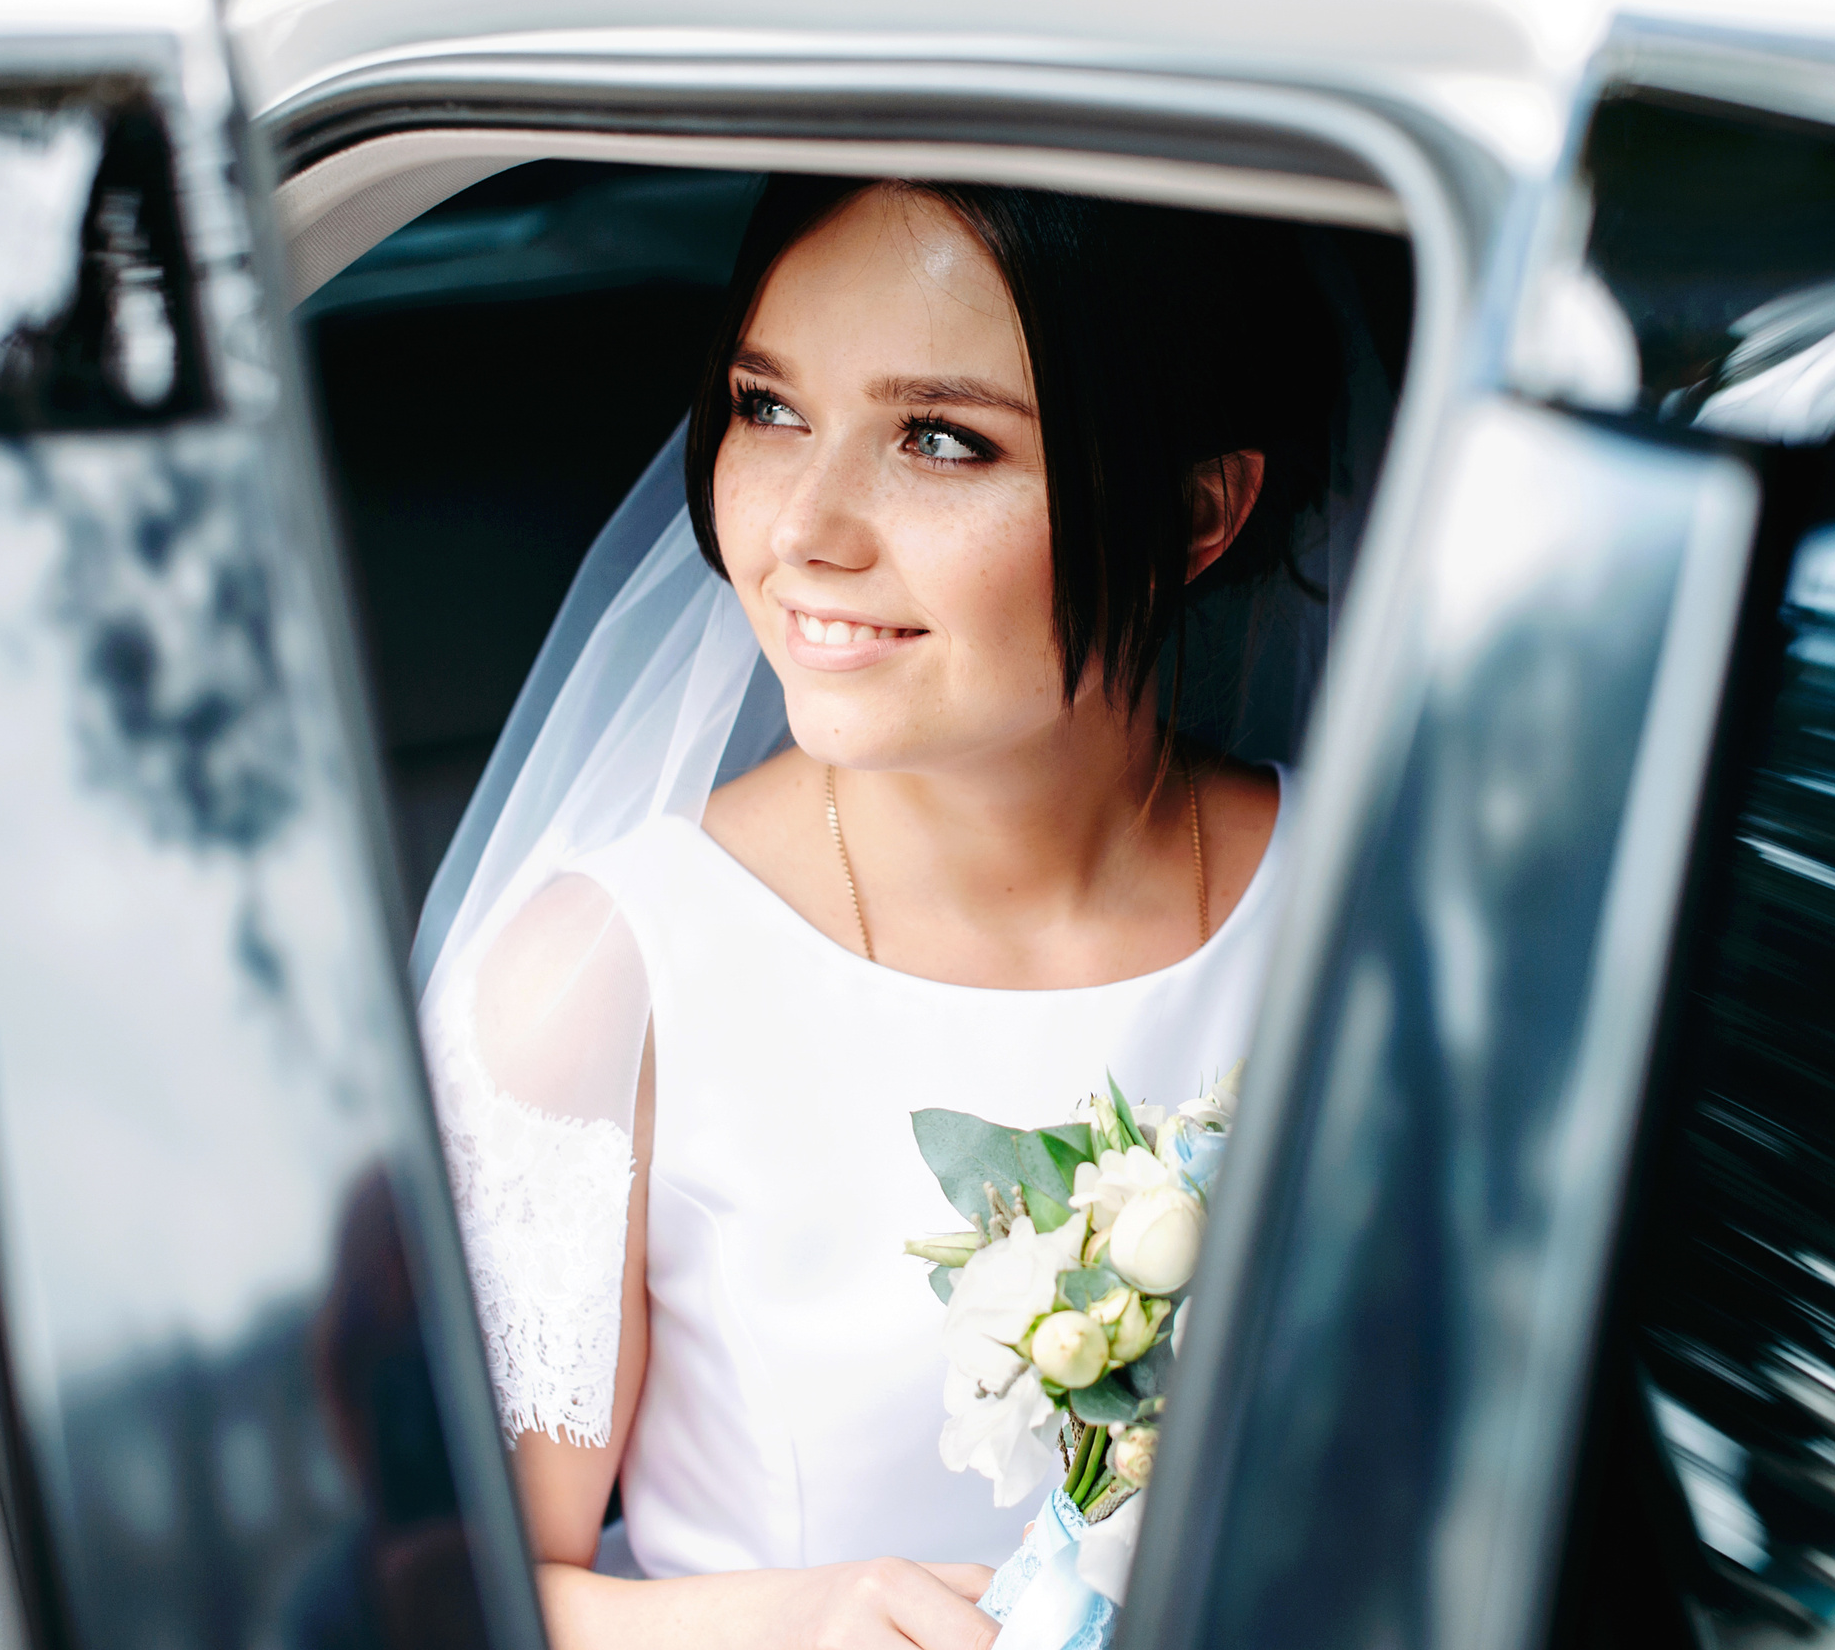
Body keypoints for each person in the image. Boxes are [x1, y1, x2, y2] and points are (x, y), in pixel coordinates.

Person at [416, 175, 1340, 1650]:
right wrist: (791, 1622)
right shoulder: (603, 981)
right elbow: (435, 1603)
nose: (801, 530)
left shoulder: (1369, 919)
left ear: (1196, 511)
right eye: (768, 409)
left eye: (939, 439)